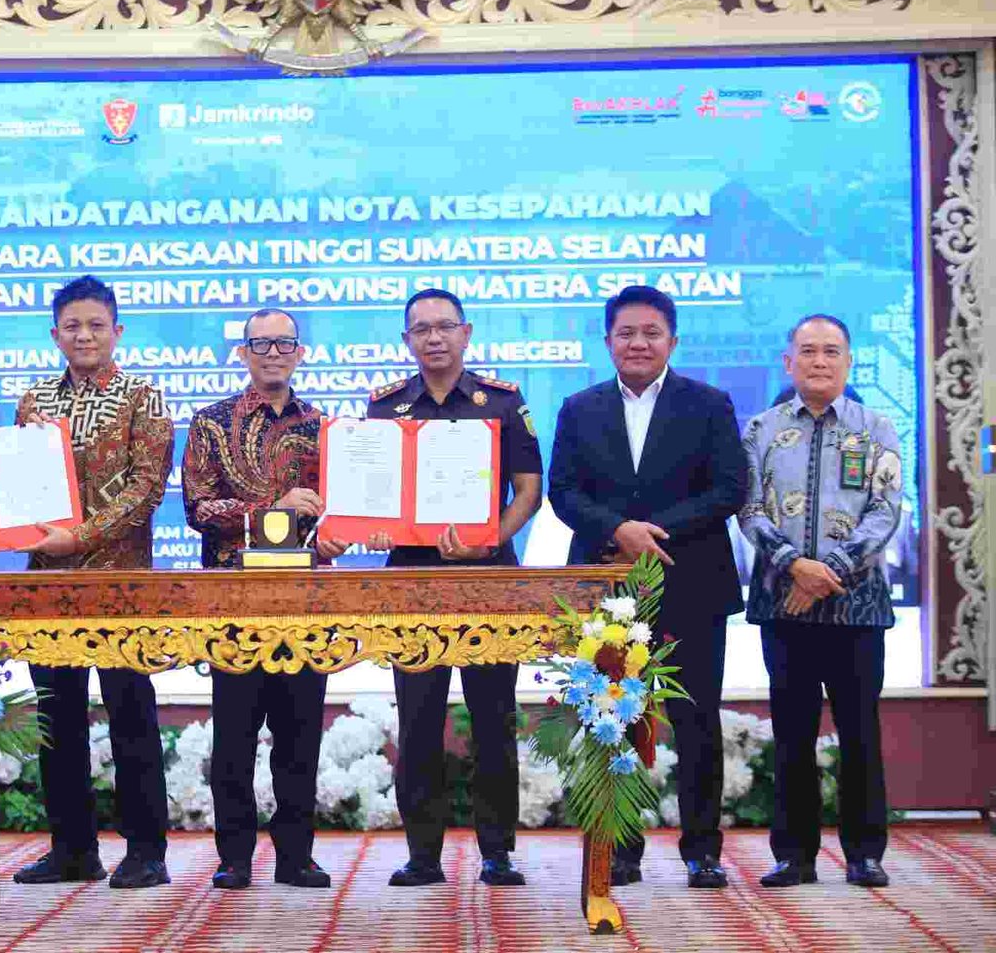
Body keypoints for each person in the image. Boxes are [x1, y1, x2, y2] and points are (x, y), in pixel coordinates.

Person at [547, 284, 746, 889]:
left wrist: (650, 532)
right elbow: (563, 491)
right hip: (606, 585)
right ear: (608, 341)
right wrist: (618, 530)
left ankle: (702, 850)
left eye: (651, 333)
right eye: (626, 333)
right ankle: (620, 849)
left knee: (697, 719)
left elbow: (729, 488)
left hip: (693, 583)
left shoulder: (709, 404)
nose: (638, 343)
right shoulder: (579, 408)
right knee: (613, 717)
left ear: (672, 341)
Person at [360, 288, 543, 889]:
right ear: (406, 340)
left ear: (466, 333)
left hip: (488, 581)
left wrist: (491, 540)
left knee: (493, 717)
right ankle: (423, 855)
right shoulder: (385, 407)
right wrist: (367, 524)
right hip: (413, 583)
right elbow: (371, 492)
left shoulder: (503, 401)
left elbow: (528, 489)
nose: (434, 338)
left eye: (445, 327)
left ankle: (497, 852)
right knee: (418, 720)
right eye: (422, 329)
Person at [10, 276, 173, 890]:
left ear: (116, 331)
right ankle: (72, 848)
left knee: (131, 712)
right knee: (58, 717)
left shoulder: (143, 397)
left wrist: (79, 537)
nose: (84, 336)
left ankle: (147, 851)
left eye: (96, 325)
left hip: (120, 584)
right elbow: (19, 486)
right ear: (55, 334)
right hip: (48, 586)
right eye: (72, 326)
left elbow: (146, 490)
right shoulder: (33, 402)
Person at [739, 315, 901, 890]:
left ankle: (865, 853)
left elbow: (886, 510)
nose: (819, 361)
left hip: (857, 605)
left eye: (832, 351)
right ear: (789, 362)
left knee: (860, 731)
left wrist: (829, 569)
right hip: (784, 602)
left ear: (848, 361)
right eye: (808, 351)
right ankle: (794, 855)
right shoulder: (760, 429)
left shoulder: (877, 427)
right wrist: (794, 566)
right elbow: (748, 509)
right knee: (792, 732)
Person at [182, 307, 334, 890]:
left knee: (300, 735)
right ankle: (235, 856)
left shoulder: (324, 428)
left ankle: (296, 855)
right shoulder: (211, 423)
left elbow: (339, 507)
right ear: (242, 353)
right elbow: (199, 508)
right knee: (235, 734)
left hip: (305, 602)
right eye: (261, 344)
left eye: (284, 343)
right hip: (234, 601)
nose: (273, 353)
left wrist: (339, 529)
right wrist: (275, 508)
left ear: (300, 353)